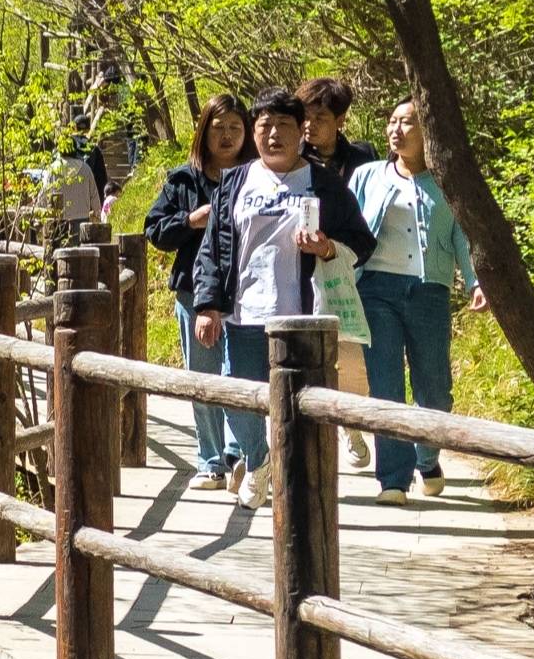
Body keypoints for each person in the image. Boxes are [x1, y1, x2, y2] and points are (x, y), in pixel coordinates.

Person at [191, 89, 377, 507]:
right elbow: (214, 249)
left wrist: (327, 248)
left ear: (300, 133)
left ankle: (301, 491)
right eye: (265, 126)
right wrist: (207, 305)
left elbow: (361, 241)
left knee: (301, 406)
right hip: (244, 313)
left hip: (302, 317)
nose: (273, 134)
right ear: (254, 132)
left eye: (284, 126)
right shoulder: (236, 181)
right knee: (239, 396)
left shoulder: (322, 182)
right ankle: (258, 461)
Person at [347, 97, 486, 498]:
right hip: (376, 289)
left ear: (427, 133)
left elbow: (462, 236)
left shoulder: (446, 183)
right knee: (386, 383)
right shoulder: (368, 176)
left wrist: (475, 282)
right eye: (392, 122)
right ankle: (393, 478)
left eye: (407, 123)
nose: (396, 130)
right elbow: (349, 228)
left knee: (435, 387)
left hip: (429, 290)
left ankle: (426, 457)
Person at [144, 94, 253, 492]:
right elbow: (154, 229)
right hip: (194, 290)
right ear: (204, 131)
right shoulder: (183, 179)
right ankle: (211, 460)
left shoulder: (257, 177)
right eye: (219, 128)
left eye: (235, 129)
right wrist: (191, 220)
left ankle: (239, 454)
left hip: (246, 291)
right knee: (203, 375)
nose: (226, 137)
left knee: (239, 373)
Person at [298, 76, 374, 473]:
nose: (310, 125)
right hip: (302, 274)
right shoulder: (292, 161)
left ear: (341, 120)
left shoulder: (364, 159)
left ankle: (350, 425)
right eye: (305, 116)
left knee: (349, 355)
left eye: (321, 117)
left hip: (352, 268)